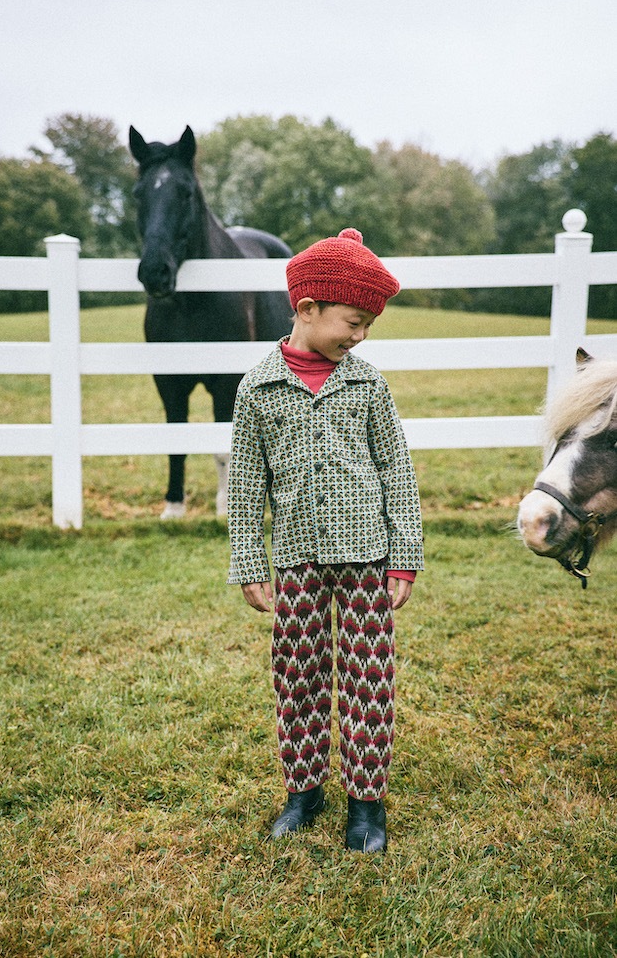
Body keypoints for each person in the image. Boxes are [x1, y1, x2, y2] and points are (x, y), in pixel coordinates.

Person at [227, 228, 424, 853]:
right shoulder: (257, 388)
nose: (360, 336)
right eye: (354, 322)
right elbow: (245, 484)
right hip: (296, 561)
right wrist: (249, 560)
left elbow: (396, 471)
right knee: (298, 675)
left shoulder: (368, 386)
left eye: (368, 326)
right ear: (308, 308)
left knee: (368, 678)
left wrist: (405, 557)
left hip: (367, 559)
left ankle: (366, 804)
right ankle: (303, 791)